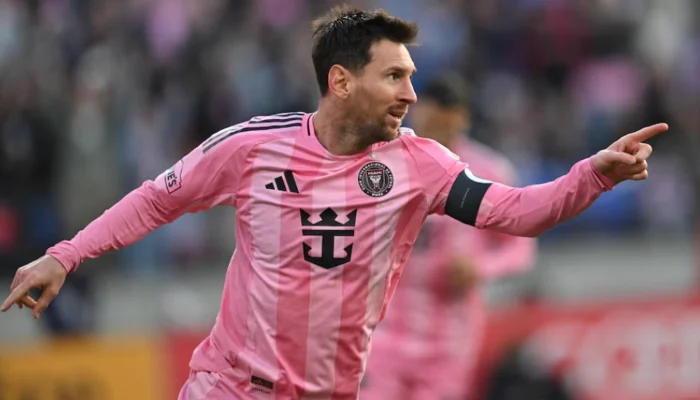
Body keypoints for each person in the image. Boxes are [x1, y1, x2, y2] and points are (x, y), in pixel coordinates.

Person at [1, 5, 667, 400]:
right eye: (395, 76)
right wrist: (66, 255)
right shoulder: (251, 148)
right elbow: (154, 202)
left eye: (412, 76)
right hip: (231, 388)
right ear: (341, 82)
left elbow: (519, 212)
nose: (411, 94)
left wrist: (593, 175)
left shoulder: (421, 165)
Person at [360, 73, 537, 400]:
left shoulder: (488, 170)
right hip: (385, 329)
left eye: (444, 126)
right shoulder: (381, 164)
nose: (436, 134)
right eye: (429, 123)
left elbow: (521, 248)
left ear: (462, 120)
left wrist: (480, 267)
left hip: (450, 338)